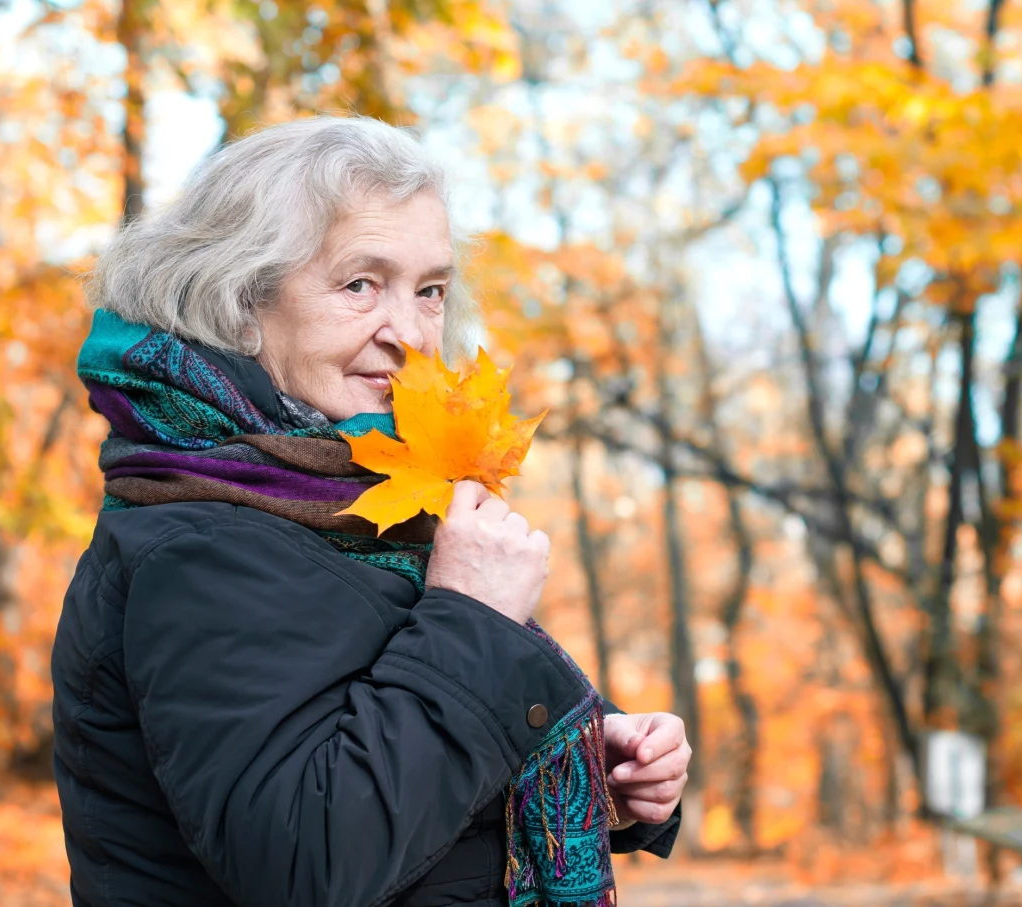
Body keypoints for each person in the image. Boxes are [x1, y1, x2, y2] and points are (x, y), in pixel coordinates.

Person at [51, 115, 690, 907]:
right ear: (240, 299)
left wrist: (597, 763)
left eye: (430, 291)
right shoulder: (203, 540)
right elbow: (306, 865)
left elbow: (388, 743)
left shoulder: (336, 500)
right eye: (361, 284)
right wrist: (474, 622)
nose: (410, 335)